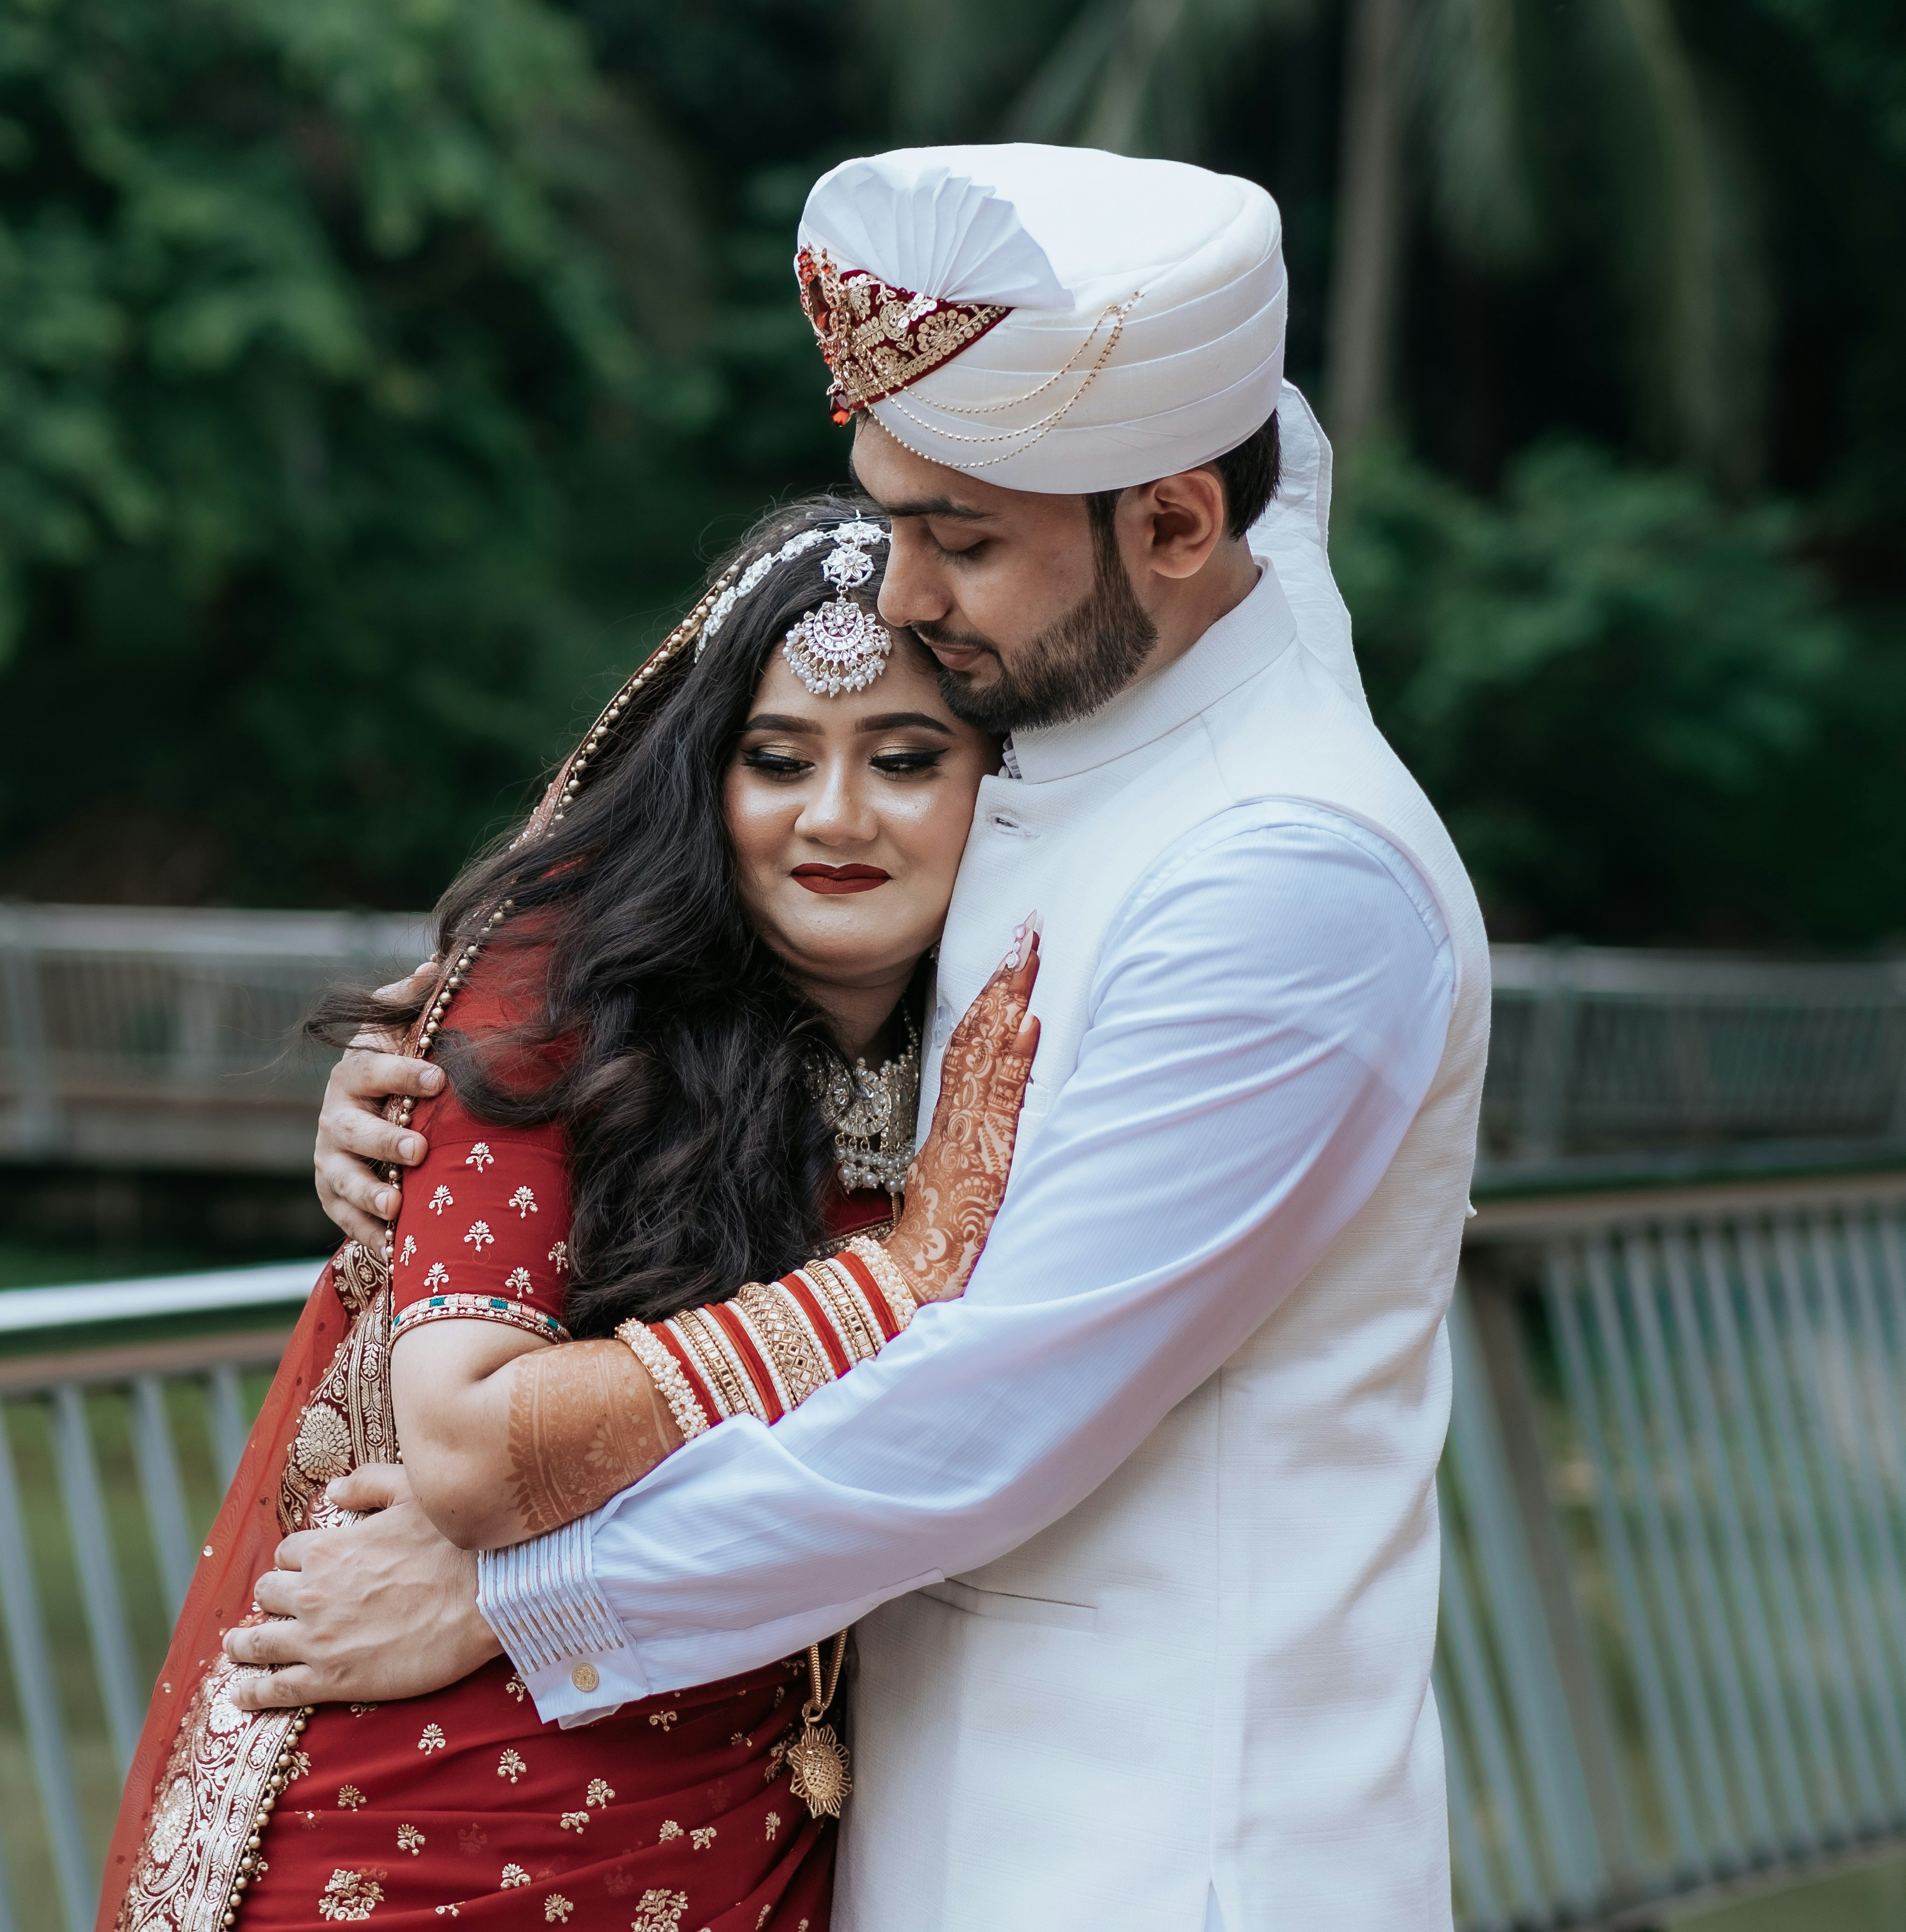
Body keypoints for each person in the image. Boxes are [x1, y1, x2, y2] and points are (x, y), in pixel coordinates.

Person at [257, 144, 1493, 1932]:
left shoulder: (1288, 881)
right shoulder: (1118, 668)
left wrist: (519, 1601)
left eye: (962, 538)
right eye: (891, 511)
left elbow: (987, 1417)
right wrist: (454, 1083)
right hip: (931, 1806)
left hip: (1157, 1849)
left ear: (1172, 524)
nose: (898, 596)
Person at [95, 493, 1045, 1932]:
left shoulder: (996, 1047)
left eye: (907, 761)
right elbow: (472, 1448)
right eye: (775, 760)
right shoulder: (564, 998)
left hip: (742, 1828)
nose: (835, 818)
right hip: (423, 1819)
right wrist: (900, 1278)